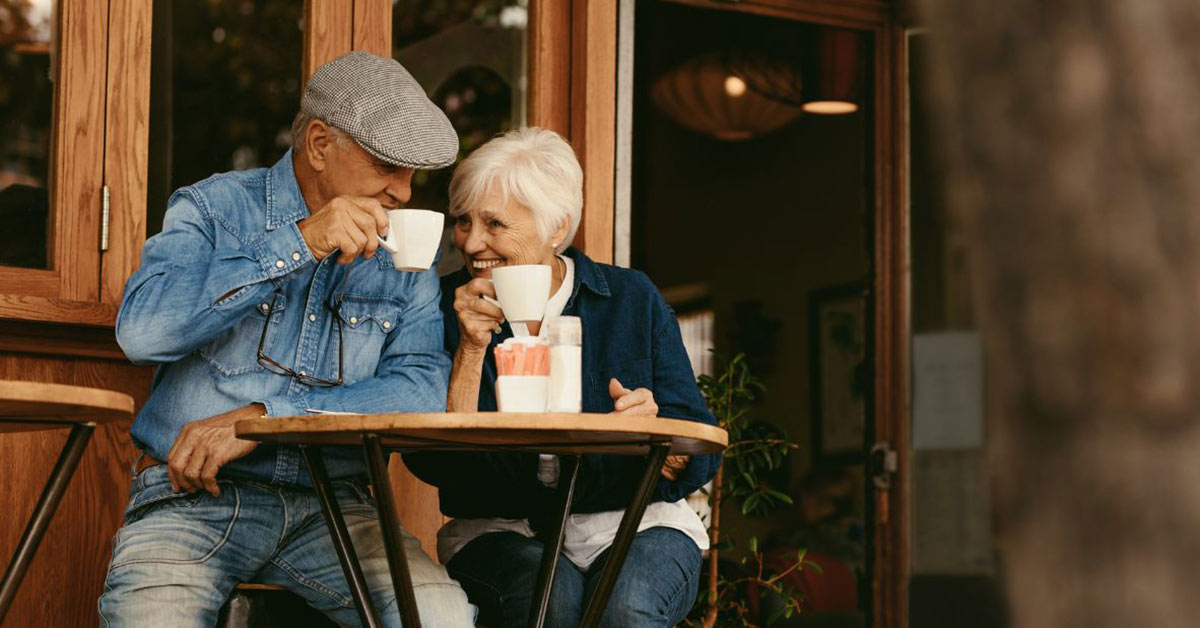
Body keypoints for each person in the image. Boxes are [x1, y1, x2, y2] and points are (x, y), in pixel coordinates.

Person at [99, 52, 475, 627]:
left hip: (339, 506)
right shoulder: (214, 207)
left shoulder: (406, 254)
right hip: (192, 500)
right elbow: (142, 332)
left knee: (443, 619)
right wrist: (299, 241)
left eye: (412, 174)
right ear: (320, 144)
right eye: (386, 166)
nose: (403, 191)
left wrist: (266, 417)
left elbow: (422, 390)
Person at [403, 127, 720, 627]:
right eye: (462, 221)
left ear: (557, 226)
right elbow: (435, 463)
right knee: (548, 604)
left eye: (495, 223)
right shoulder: (440, 307)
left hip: (634, 526)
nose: (471, 241)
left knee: (625, 610)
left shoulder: (632, 299)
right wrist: (469, 349)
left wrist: (656, 434)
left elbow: (696, 439)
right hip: (500, 529)